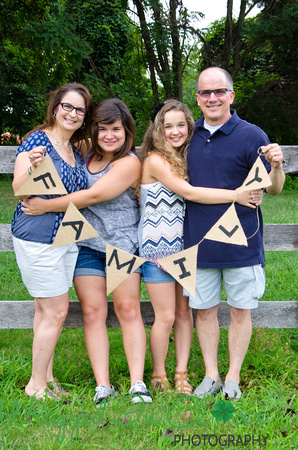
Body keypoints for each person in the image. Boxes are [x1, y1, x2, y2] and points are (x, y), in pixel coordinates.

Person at [21, 98, 152, 405]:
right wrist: (34, 151)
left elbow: (94, 195)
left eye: (116, 129)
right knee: (93, 314)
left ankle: (137, 383)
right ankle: (103, 385)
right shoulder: (84, 152)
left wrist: (44, 206)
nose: (109, 135)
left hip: (122, 248)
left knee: (128, 311)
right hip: (86, 246)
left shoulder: (130, 162)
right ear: (93, 129)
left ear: (127, 131)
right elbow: (55, 140)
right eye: (102, 128)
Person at [138, 99, 263, 394]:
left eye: (181, 124)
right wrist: (236, 195)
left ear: (190, 127)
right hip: (157, 248)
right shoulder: (156, 159)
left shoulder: (183, 156)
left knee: (185, 313)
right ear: (158, 129)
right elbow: (189, 192)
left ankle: (181, 373)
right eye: (168, 126)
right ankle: (158, 374)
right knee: (166, 315)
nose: (175, 131)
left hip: (184, 246)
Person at [183, 67, 285, 400]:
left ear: (231, 95)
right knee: (205, 310)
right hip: (198, 242)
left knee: (241, 310)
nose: (212, 98)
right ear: (197, 98)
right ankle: (211, 374)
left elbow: (274, 191)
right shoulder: (186, 134)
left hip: (242, 242)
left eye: (219, 91)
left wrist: (279, 166)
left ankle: (233, 377)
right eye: (205, 93)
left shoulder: (252, 135)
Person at [11, 82, 94, 400]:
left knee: (43, 311)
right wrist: (32, 167)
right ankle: (36, 385)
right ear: (56, 107)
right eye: (68, 106)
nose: (73, 113)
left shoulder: (74, 148)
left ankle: (44, 375)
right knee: (57, 311)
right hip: (38, 236)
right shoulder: (37, 141)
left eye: (80, 110)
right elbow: (19, 190)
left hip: (66, 236)